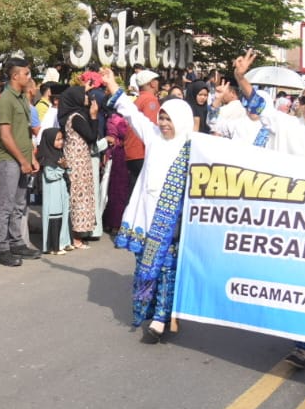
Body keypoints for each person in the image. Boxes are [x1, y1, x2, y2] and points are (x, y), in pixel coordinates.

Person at [233, 49, 305, 368]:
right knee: (298, 279)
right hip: (294, 221)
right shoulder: (288, 126)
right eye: (304, 99)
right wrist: (242, 79)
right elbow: (262, 108)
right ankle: (303, 342)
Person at [104, 67, 194, 343]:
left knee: (166, 271)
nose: (165, 123)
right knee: (145, 268)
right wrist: (111, 85)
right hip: (145, 218)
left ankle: (159, 320)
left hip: (172, 224)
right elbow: (131, 113)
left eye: (170, 119)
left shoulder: (192, 148)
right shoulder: (153, 135)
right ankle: (153, 312)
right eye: (162, 117)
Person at [0, 56, 41, 267]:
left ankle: (17, 242)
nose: (29, 78)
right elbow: (5, 135)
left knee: (20, 203)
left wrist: (31, 157)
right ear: (15, 75)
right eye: (26, 74)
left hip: (22, 159)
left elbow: (25, 133)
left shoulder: (22, 98)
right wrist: (22, 160)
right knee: (6, 204)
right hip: (9, 159)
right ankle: (1, 248)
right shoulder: (5, 100)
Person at [58, 85, 98, 248]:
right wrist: (94, 116)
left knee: (78, 195)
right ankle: (76, 237)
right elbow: (91, 136)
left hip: (78, 161)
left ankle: (78, 234)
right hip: (79, 163)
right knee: (79, 197)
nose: (87, 98)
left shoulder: (71, 116)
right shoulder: (76, 118)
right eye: (84, 95)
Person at [37, 128, 72, 254]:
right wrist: (62, 168)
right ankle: (53, 247)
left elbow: (67, 171)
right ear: (50, 141)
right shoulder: (47, 158)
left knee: (63, 215)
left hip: (61, 192)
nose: (60, 142)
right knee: (54, 217)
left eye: (61, 139)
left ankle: (64, 242)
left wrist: (65, 167)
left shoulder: (59, 154)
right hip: (52, 194)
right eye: (57, 139)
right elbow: (50, 175)